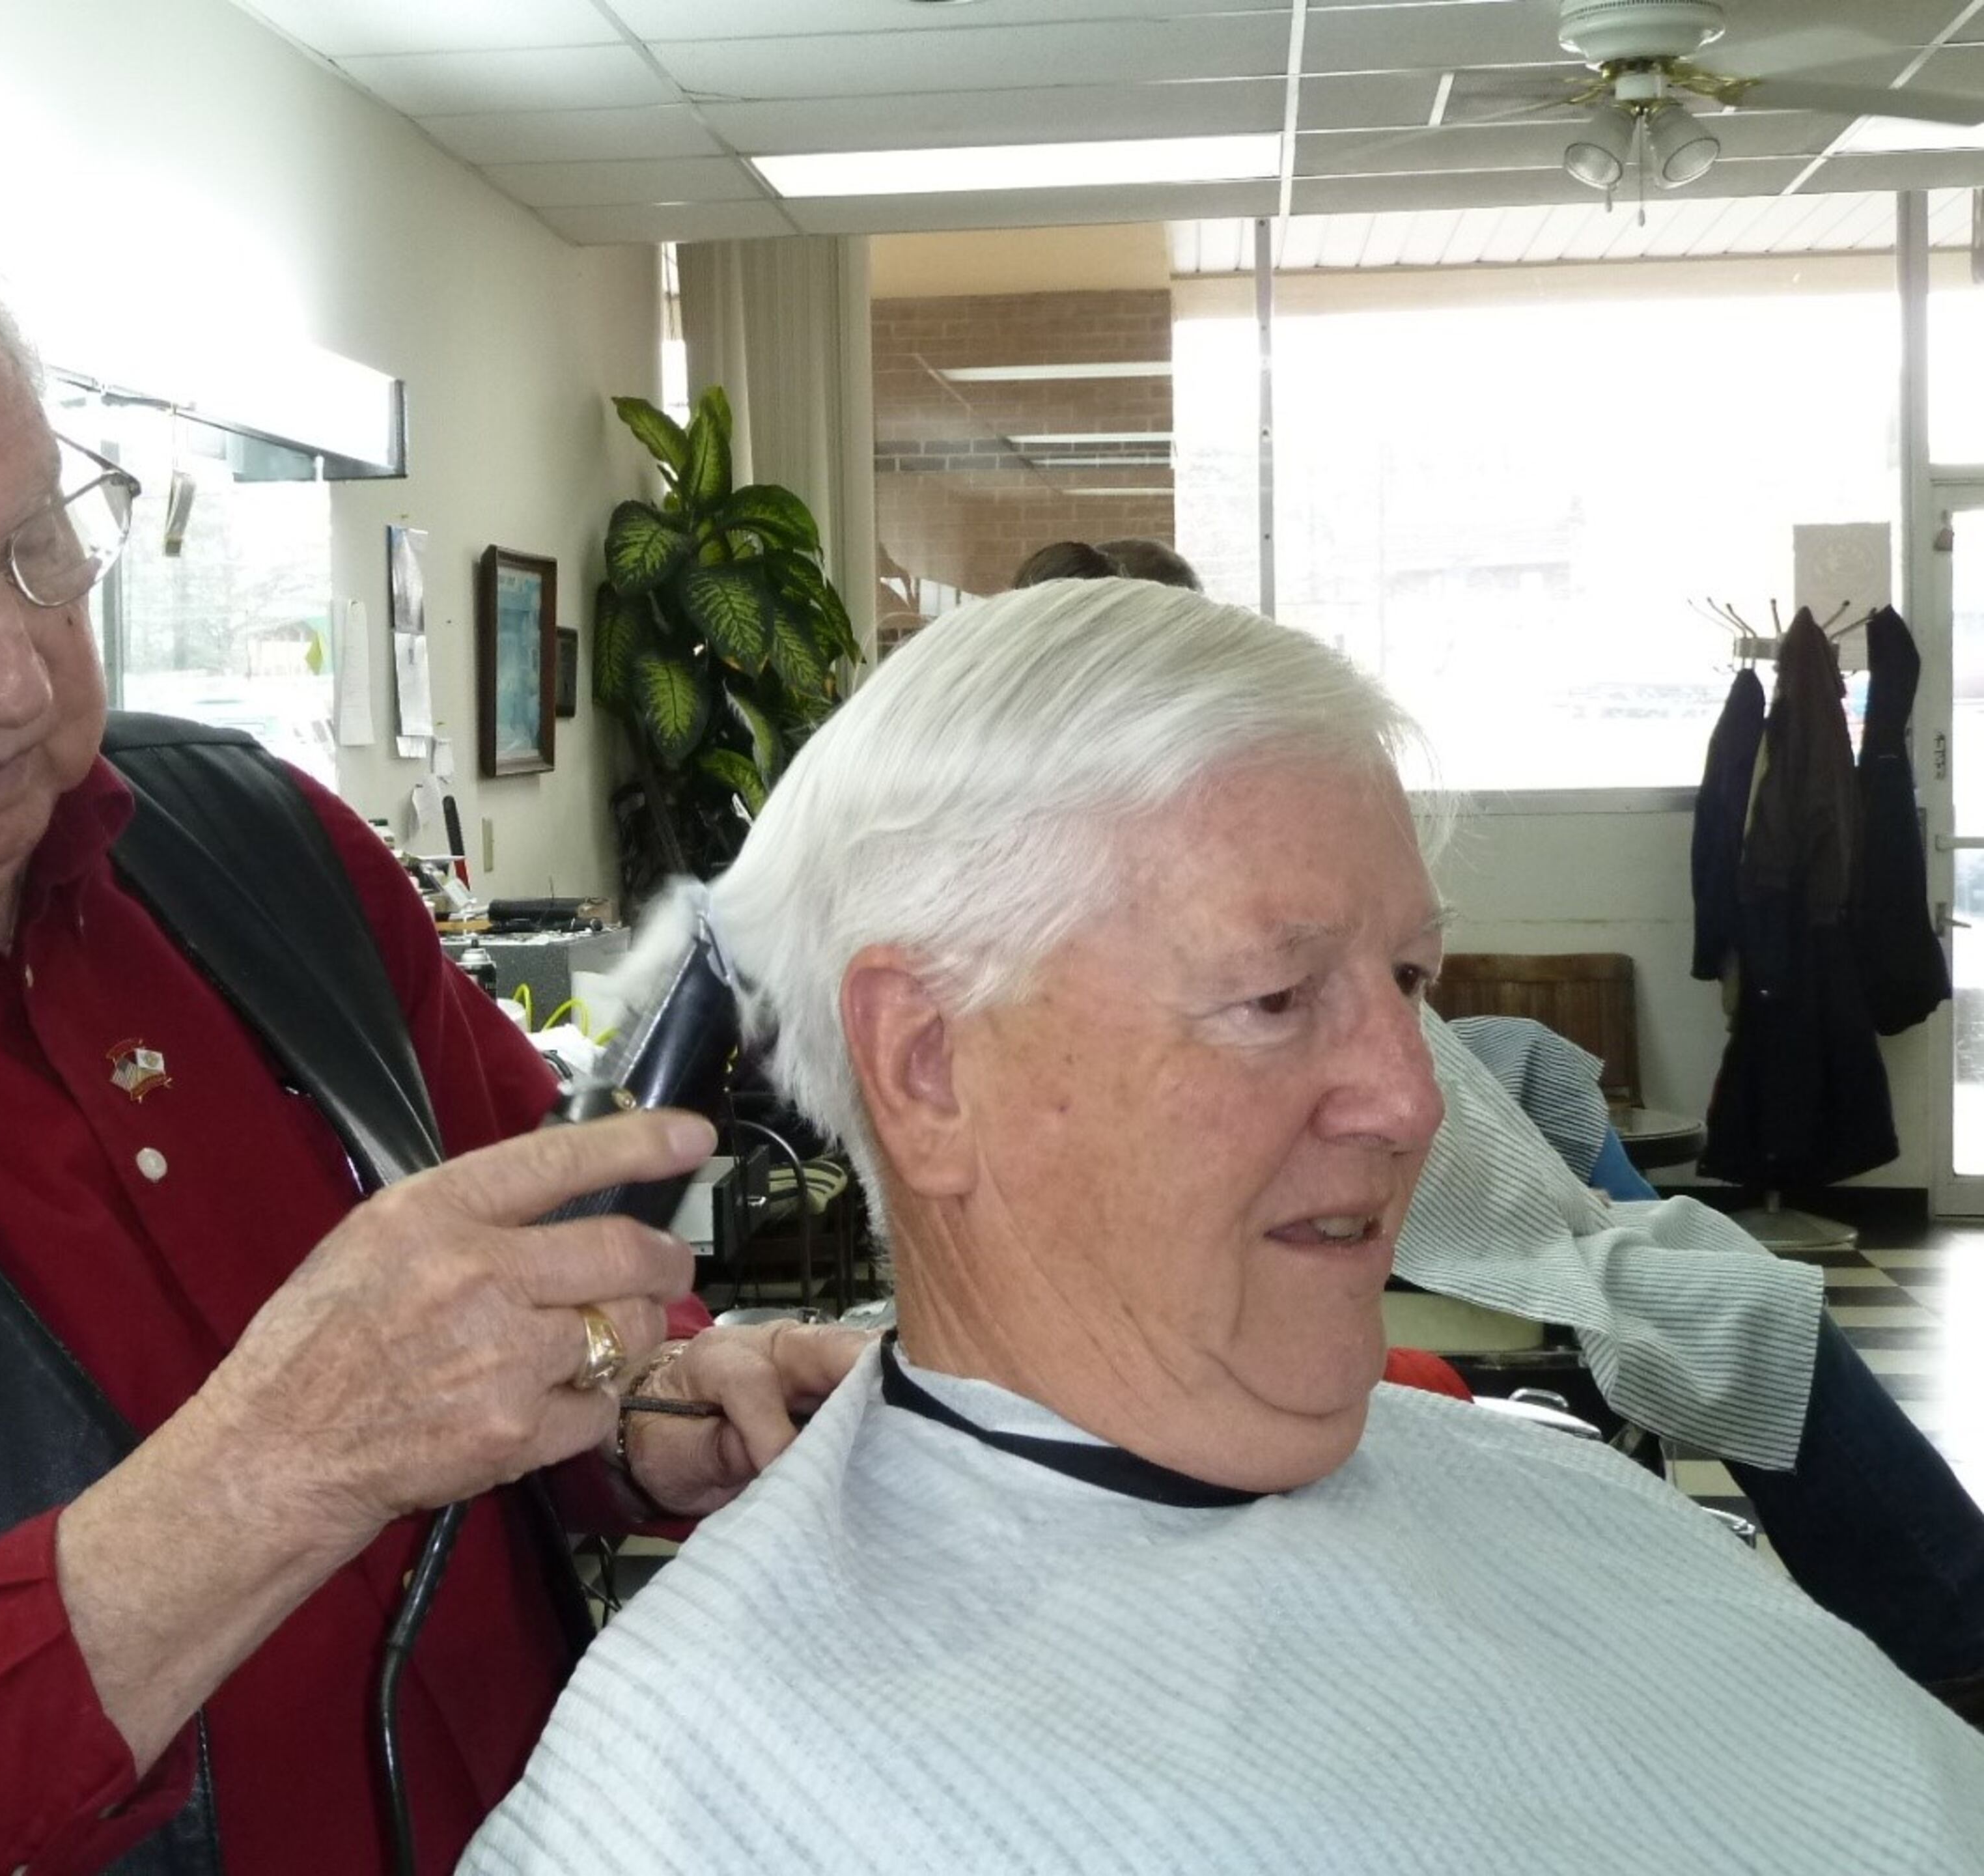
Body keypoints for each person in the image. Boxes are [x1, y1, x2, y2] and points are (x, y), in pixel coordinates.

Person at [0, 170, 861, 1875]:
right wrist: (266, 1472)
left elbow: (568, 1298)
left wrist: (654, 1408)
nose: (18, 680)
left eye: (38, 549)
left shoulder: (257, 843)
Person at [462, 580, 1984, 1875]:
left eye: (1409, 982)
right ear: (929, 1067)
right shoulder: (705, 1781)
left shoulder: (1568, 1499)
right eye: (1271, 999)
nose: (1410, 1100)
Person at [1011, 539, 1984, 1698]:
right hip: (1376, 1221)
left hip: (1400, 1173)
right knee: (1746, 1306)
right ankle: (1962, 1649)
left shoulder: (1206, 847)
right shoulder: (1106, 897)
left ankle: (1610, 1220)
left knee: (1539, 1091)